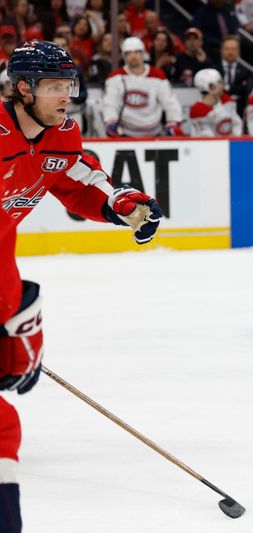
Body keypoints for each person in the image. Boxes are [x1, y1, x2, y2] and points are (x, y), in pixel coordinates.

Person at [0, 40, 162, 533]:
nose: (65, 97)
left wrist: (120, 205)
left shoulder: (60, 135)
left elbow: (77, 181)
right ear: (23, 89)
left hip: (4, 267)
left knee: (17, 365)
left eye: (67, 86)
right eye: (53, 87)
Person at [102, 36, 184, 137]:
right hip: (126, 132)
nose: (133, 56)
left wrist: (174, 122)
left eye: (137, 52)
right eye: (129, 53)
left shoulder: (157, 75)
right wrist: (110, 121)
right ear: (124, 56)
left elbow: (170, 101)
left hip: (154, 131)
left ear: (143, 54)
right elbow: (110, 102)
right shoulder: (116, 77)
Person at [188, 68, 243, 137]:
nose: (223, 85)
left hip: (231, 143)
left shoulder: (226, 99)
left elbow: (237, 123)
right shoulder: (197, 109)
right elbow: (205, 137)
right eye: (219, 82)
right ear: (212, 86)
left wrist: (236, 139)